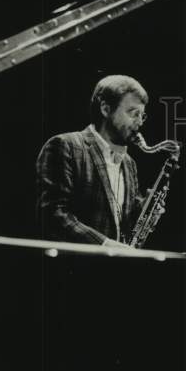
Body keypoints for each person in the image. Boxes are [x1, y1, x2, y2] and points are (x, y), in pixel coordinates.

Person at [36, 74, 148, 246]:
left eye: (142, 115)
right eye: (134, 113)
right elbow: (53, 214)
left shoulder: (129, 163)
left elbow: (121, 222)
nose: (140, 122)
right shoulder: (65, 145)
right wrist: (104, 245)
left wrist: (144, 209)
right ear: (105, 109)